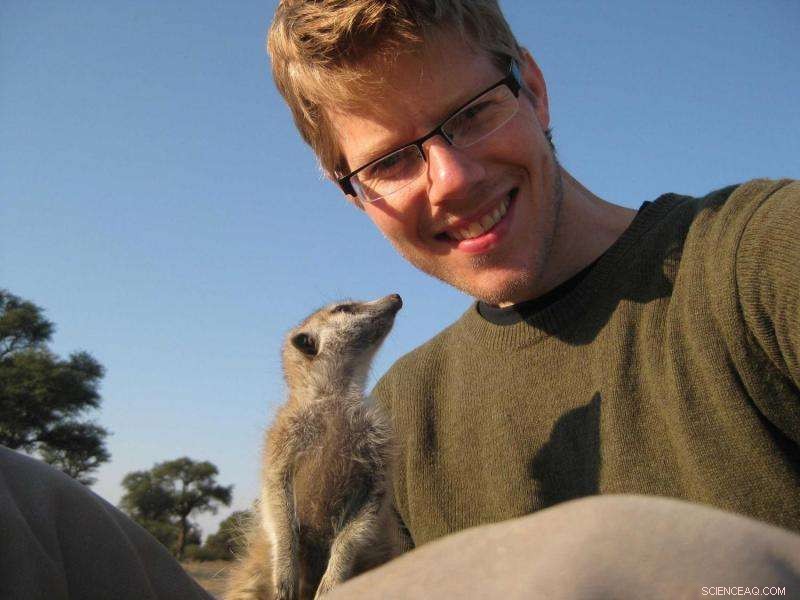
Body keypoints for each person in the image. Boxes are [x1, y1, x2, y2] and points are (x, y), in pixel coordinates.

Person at [265, 0, 800, 584]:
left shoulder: (760, 258)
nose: (453, 180)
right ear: (356, 197)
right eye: (391, 162)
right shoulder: (404, 412)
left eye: (471, 115)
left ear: (535, 91)